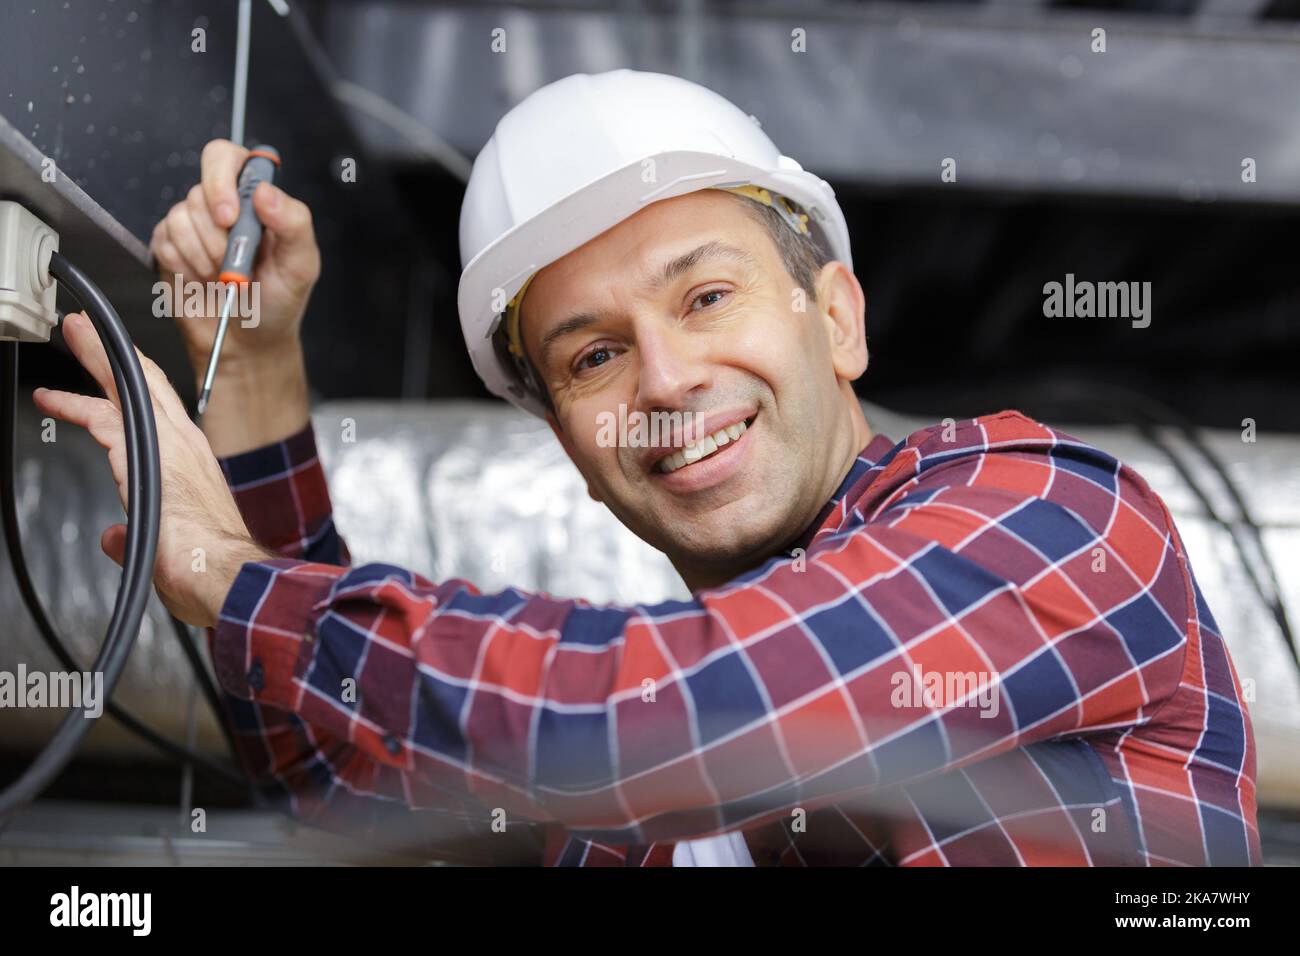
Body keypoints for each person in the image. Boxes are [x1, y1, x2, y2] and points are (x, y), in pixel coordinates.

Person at [35, 70, 1258, 866]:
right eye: (595, 354)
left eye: (708, 294)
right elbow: (335, 774)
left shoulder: (1051, 515)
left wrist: (225, 571)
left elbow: (661, 714)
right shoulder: (660, 825)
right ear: (570, 438)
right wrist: (251, 382)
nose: (665, 381)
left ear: (836, 315)